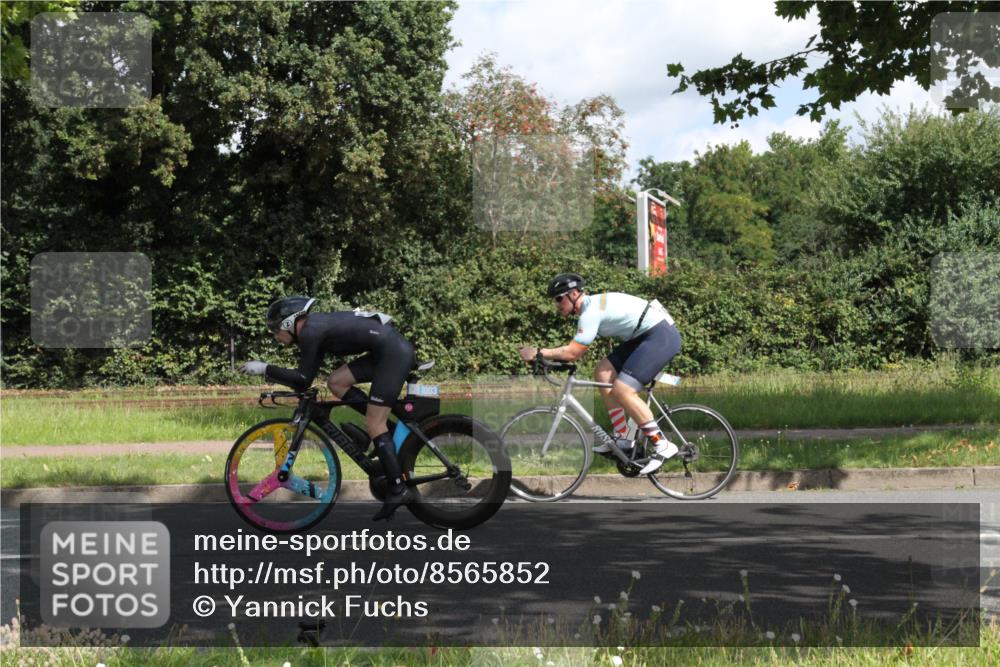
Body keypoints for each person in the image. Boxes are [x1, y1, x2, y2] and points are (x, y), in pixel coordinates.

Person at [240, 296, 417, 521]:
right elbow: (305, 377)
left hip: (392, 354)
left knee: (374, 423)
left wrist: (265, 368)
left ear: (288, 323)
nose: (275, 337)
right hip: (386, 350)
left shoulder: (310, 332)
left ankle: (398, 488)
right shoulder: (314, 329)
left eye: (275, 330)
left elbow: (302, 379)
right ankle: (387, 434)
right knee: (336, 382)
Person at [518, 274, 683, 474]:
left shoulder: (590, 312)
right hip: (642, 337)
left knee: (623, 390)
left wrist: (538, 352)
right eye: (555, 300)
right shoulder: (589, 308)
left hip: (659, 336)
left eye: (559, 298)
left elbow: (572, 353)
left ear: (574, 294)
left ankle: (661, 443)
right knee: (603, 373)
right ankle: (623, 436)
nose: (557, 304)